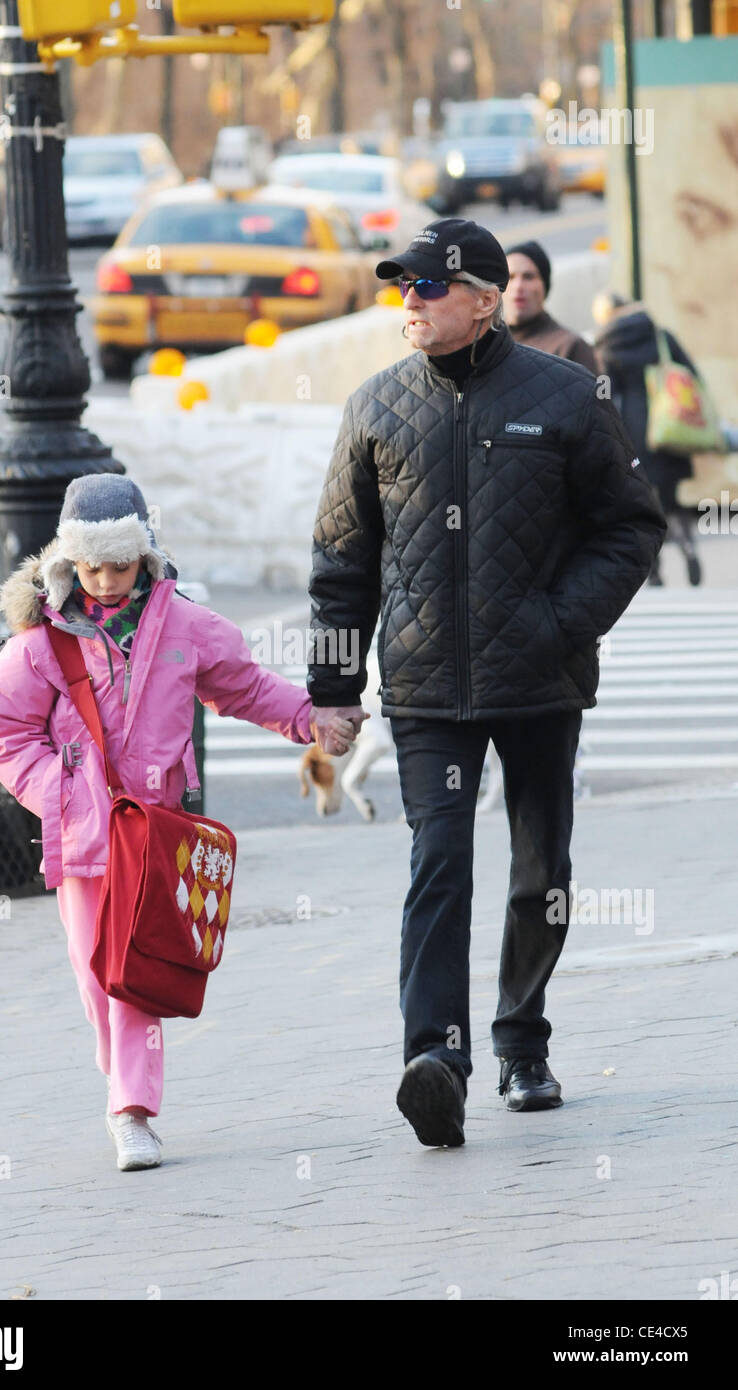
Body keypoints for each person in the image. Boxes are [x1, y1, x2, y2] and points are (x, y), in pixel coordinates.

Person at [307, 218, 666, 1148]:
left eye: (427, 288)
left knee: (541, 869)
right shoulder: (375, 407)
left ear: (483, 295)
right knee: (439, 865)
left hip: (540, 677)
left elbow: (630, 527)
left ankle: (523, 1041)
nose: (410, 303)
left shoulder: (564, 395)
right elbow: (341, 560)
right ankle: (436, 1058)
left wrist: (559, 623)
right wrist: (334, 685)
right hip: (425, 686)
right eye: (403, 289)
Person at [0, 474, 354, 1173]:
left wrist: (313, 718)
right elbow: (5, 734)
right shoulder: (39, 644)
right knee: (96, 978)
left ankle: (132, 1111)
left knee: (135, 973)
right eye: (91, 566)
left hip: (155, 834)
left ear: (145, 556)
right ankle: (121, 1085)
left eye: (120, 565)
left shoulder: (185, 626)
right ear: (68, 563)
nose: (106, 579)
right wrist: (61, 794)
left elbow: (244, 686)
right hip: (84, 836)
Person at [593, 291, 703, 586]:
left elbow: (607, 395)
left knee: (643, 506)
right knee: (672, 500)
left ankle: (654, 570)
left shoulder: (608, 345)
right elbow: (691, 374)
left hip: (634, 430)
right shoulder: (661, 336)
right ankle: (689, 548)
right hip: (669, 428)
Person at [504, 239, 598, 372]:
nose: (518, 286)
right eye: (510, 277)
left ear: (545, 285)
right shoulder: (487, 344)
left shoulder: (570, 347)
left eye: (528, 277)